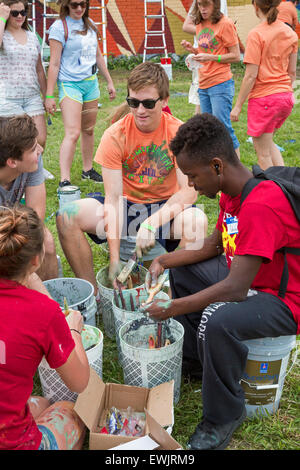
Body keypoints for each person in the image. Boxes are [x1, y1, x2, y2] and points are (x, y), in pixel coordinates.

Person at [143, 113, 299, 450]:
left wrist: (172, 307)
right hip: (247, 277)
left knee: (218, 321)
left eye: (192, 176)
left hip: (284, 299)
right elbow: (216, 245)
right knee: (183, 273)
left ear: (216, 166)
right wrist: (164, 260)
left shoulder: (261, 204)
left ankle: (222, 417)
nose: (191, 185)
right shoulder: (232, 191)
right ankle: (197, 364)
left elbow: (235, 289)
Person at [56, 62, 208, 295]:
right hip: (126, 208)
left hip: (165, 210)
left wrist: (151, 223)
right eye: (133, 103)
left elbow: (188, 191)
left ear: (164, 101)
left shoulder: (179, 133)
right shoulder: (115, 135)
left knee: (197, 221)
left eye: (148, 103)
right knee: (67, 216)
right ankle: (94, 295)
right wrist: (115, 259)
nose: (140, 110)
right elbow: (114, 198)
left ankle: (171, 289)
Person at [0, 204, 90, 450]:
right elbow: (79, 383)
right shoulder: (41, 313)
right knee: (68, 411)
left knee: (38, 403)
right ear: (37, 260)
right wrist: (74, 330)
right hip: (15, 444)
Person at [45, 0, 116, 187]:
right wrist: (49, 94)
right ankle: (65, 179)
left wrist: (109, 81)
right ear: (67, 5)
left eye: (83, 5)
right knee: (72, 133)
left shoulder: (90, 24)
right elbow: (54, 63)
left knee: (89, 130)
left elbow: (98, 55)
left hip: (90, 84)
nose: (79, 9)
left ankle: (87, 170)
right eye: (75, 4)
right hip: (70, 85)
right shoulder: (59, 27)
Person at [230, 0, 298, 170]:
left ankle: (276, 191)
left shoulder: (256, 34)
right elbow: (292, 73)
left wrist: (237, 106)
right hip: (285, 98)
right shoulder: (290, 33)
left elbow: (251, 75)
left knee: (263, 154)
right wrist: (283, 93)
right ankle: (285, 186)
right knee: (268, 144)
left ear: (256, 6)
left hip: (264, 100)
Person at [0, 114, 58, 284]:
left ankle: (51, 304)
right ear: (12, 162)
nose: (40, 150)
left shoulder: (33, 162)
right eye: (33, 149)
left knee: (45, 242)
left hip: (12, 223)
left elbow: (36, 215)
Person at [181, 0, 241, 157]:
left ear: (215, 4)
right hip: (203, 83)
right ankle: (217, 167)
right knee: (208, 130)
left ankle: (236, 167)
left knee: (223, 128)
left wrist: (210, 57)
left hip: (220, 84)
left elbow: (235, 56)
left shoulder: (225, 24)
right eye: (199, 5)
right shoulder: (200, 24)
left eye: (206, 5)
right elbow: (205, 51)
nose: (202, 9)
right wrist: (193, 50)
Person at [0, 0, 47, 149]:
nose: (20, 16)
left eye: (23, 12)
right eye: (14, 13)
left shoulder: (32, 36)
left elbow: (39, 69)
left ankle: (36, 171)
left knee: (40, 139)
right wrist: (1, 18)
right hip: (8, 98)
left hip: (32, 97)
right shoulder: (3, 34)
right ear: (7, 14)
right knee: (15, 145)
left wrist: (47, 96)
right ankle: (18, 172)